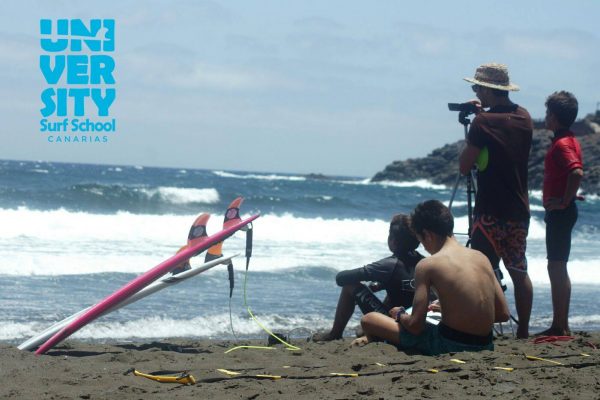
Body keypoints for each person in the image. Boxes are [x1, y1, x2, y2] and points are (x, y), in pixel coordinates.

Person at [354, 200, 509, 355]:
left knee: (369, 319)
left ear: (427, 235)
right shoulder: (482, 257)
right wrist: (456, 312)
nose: (425, 247)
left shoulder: (427, 265)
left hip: (448, 345)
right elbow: (503, 313)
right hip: (486, 344)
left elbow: (415, 326)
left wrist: (399, 314)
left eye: (421, 241)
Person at [459, 63, 533, 338]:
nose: (476, 92)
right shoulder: (524, 117)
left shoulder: (482, 123)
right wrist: (484, 114)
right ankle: (523, 330)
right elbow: (503, 131)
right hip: (518, 208)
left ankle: (482, 327)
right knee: (518, 271)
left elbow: (465, 166)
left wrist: (477, 121)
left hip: (490, 209)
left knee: (483, 270)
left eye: (478, 88)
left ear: (488, 90)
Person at [312, 214, 424, 341]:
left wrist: (371, 276)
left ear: (393, 240)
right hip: (417, 324)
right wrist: (379, 284)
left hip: (399, 324)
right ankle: (372, 331)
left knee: (350, 286)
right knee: (393, 290)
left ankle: (334, 334)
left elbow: (341, 278)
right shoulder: (424, 262)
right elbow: (405, 282)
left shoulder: (389, 265)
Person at [539, 91, 583, 336]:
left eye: (547, 113)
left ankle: (559, 325)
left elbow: (576, 172)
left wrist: (565, 200)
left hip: (561, 213)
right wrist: (569, 197)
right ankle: (561, 325)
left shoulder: (562, 144)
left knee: (556, 267)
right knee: (558, 266)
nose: (545, 117)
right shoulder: (569, 139)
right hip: (563, 211)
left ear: (554, 117)